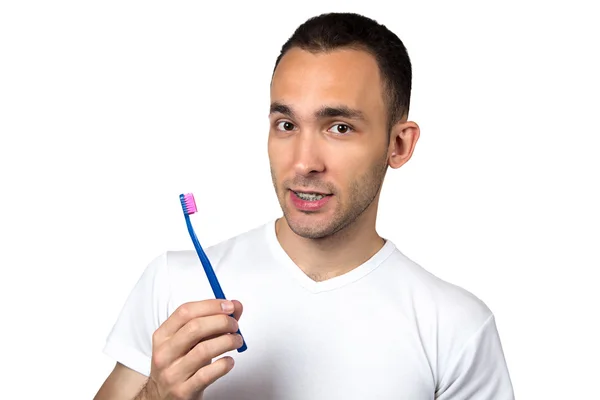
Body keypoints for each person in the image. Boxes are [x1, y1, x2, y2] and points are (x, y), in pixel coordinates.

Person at [94, 12, 514, 400]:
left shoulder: (457, 328)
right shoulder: (174, 286)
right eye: (287, 125)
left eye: (339, 127)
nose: (303, 162)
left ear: (398, 144)